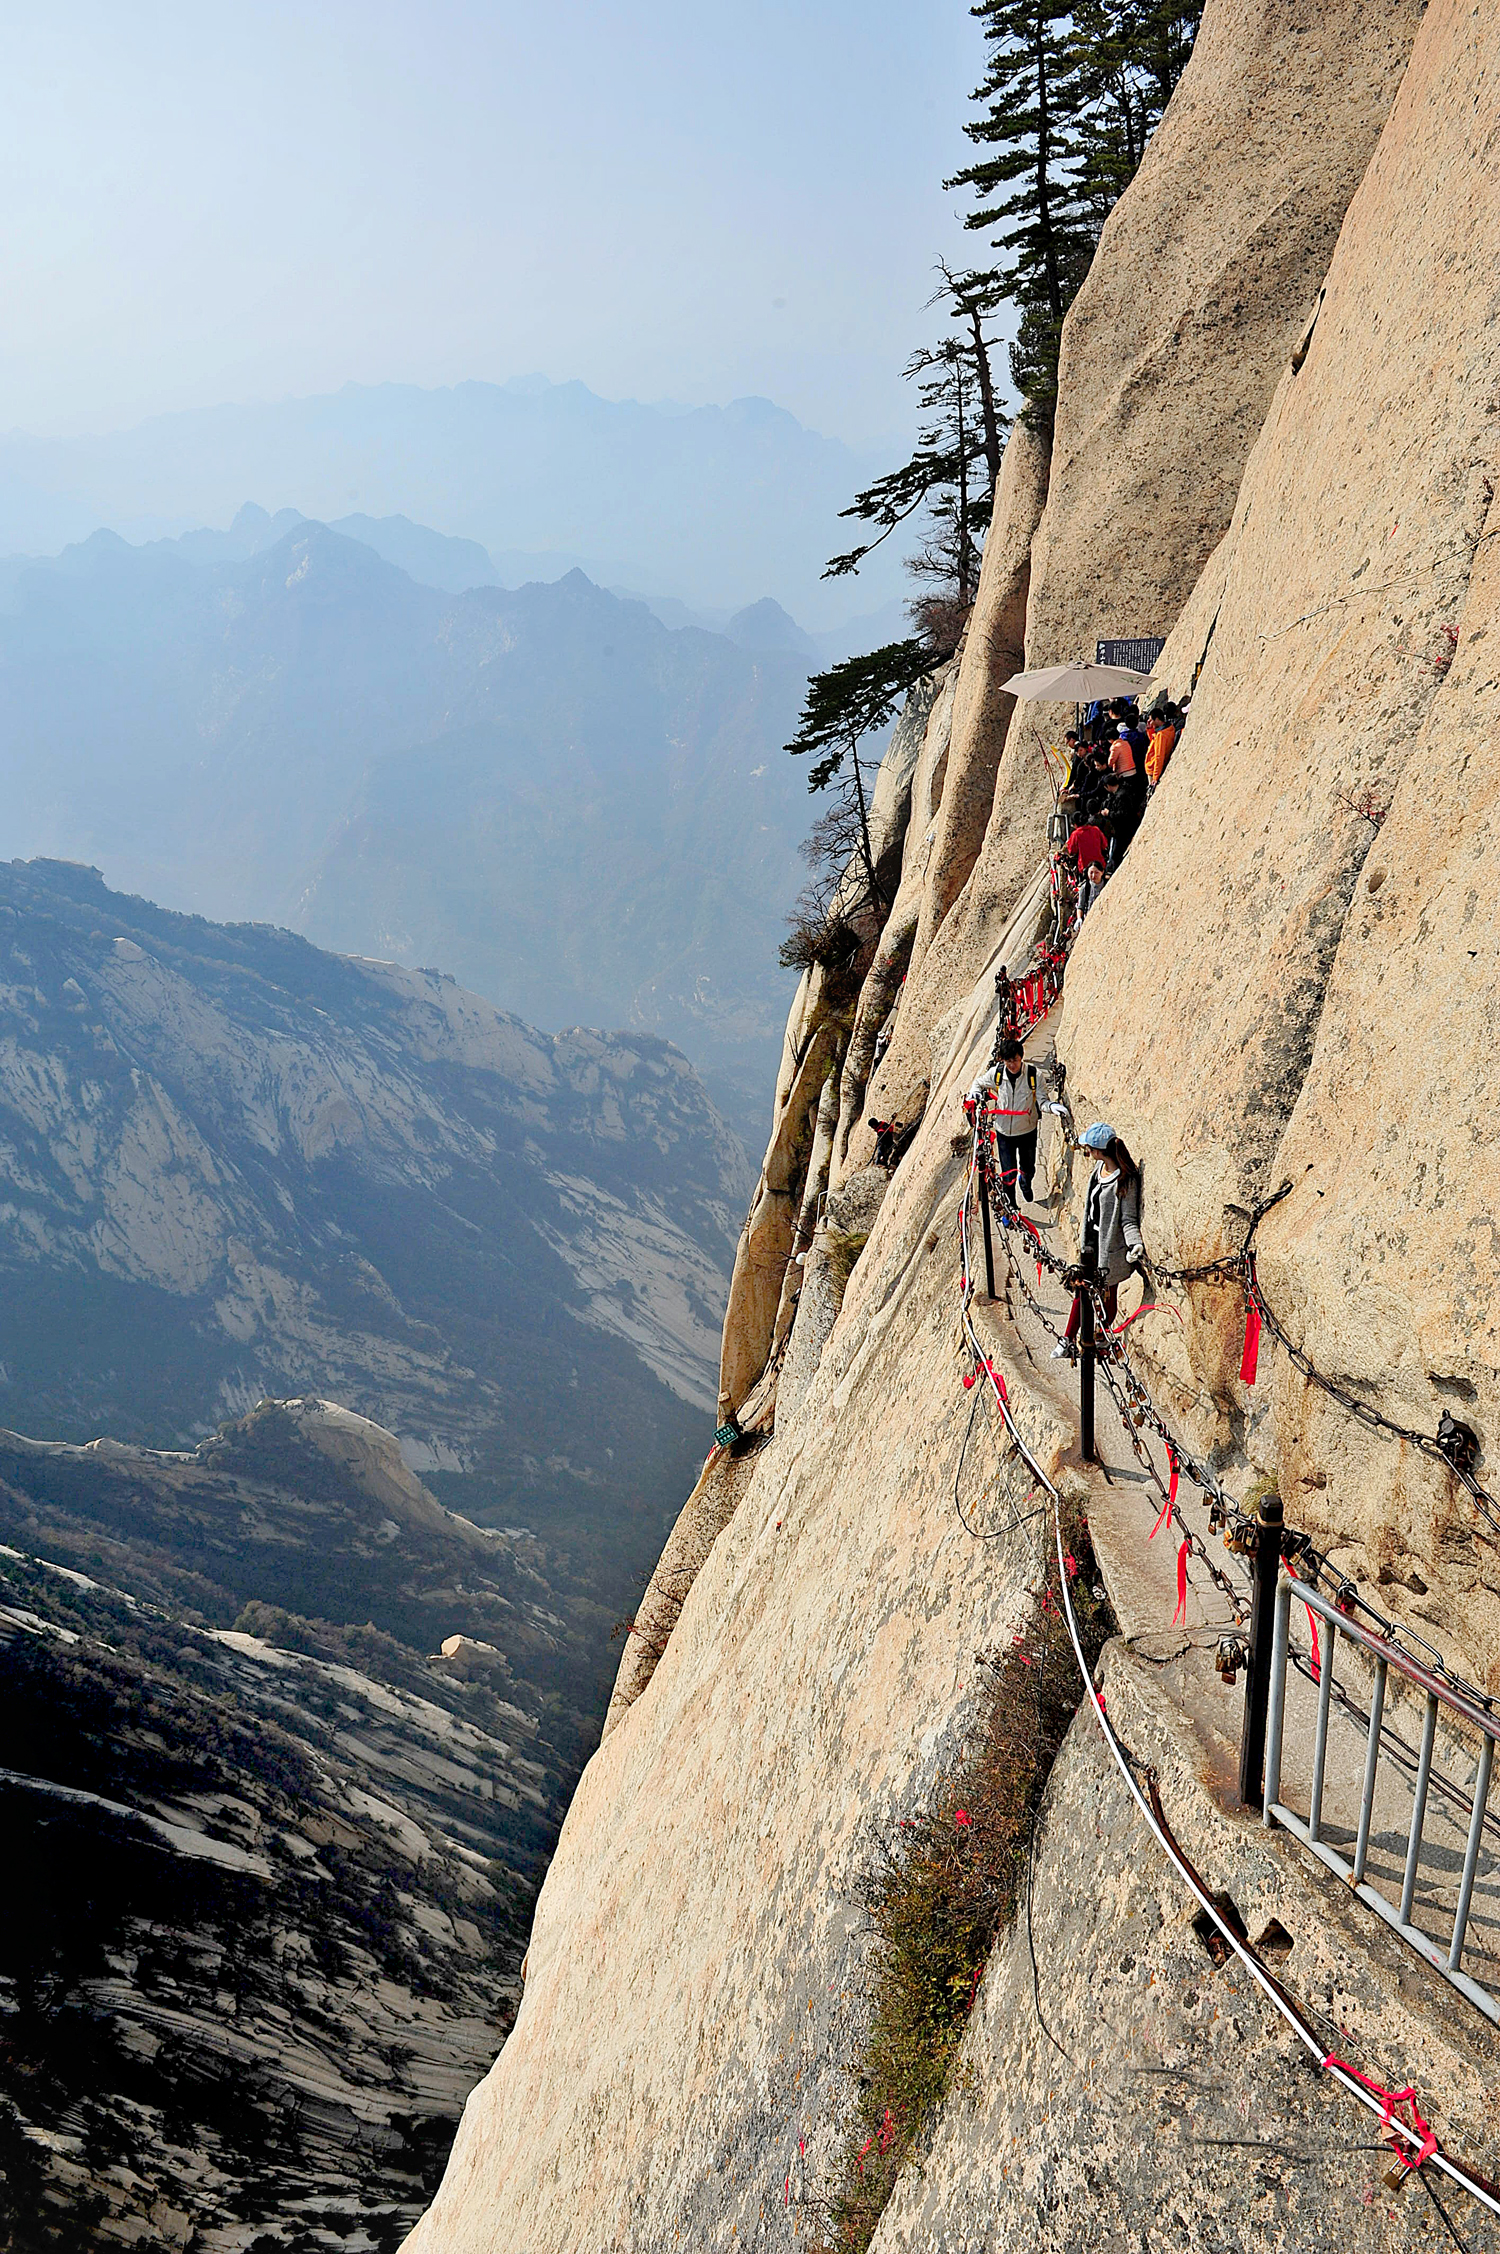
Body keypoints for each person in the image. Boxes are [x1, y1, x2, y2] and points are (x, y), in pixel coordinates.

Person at [1052, 1124, 1146, 1360]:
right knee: (1081, 1290)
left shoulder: (1125, 1180)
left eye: (1090, 1148)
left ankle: (1097, 1335)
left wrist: (1135, 1243)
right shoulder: (1098, 1169)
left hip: (1110, 1250)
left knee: (1107, 1296)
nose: (1087, 1151)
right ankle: (1069, 1338)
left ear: (1099, 1150)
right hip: (1091, 1243)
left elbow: (1128, 1218)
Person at [988, 1038, 1041, 1203]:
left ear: (1021, 1058)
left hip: (1027, 1130)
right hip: (1004, 1132)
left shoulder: (1033, 1075)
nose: (1012, 1065)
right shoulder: (997, 1073)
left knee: (1028, 1168)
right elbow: (979, 1083)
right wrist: (974, 1095)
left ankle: (1025, 1183)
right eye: (1008, 1061)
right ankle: (1011, 1207)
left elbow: (1042, 1099)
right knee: (1008, 1173)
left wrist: (1051, 1107)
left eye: (1015, 1060)